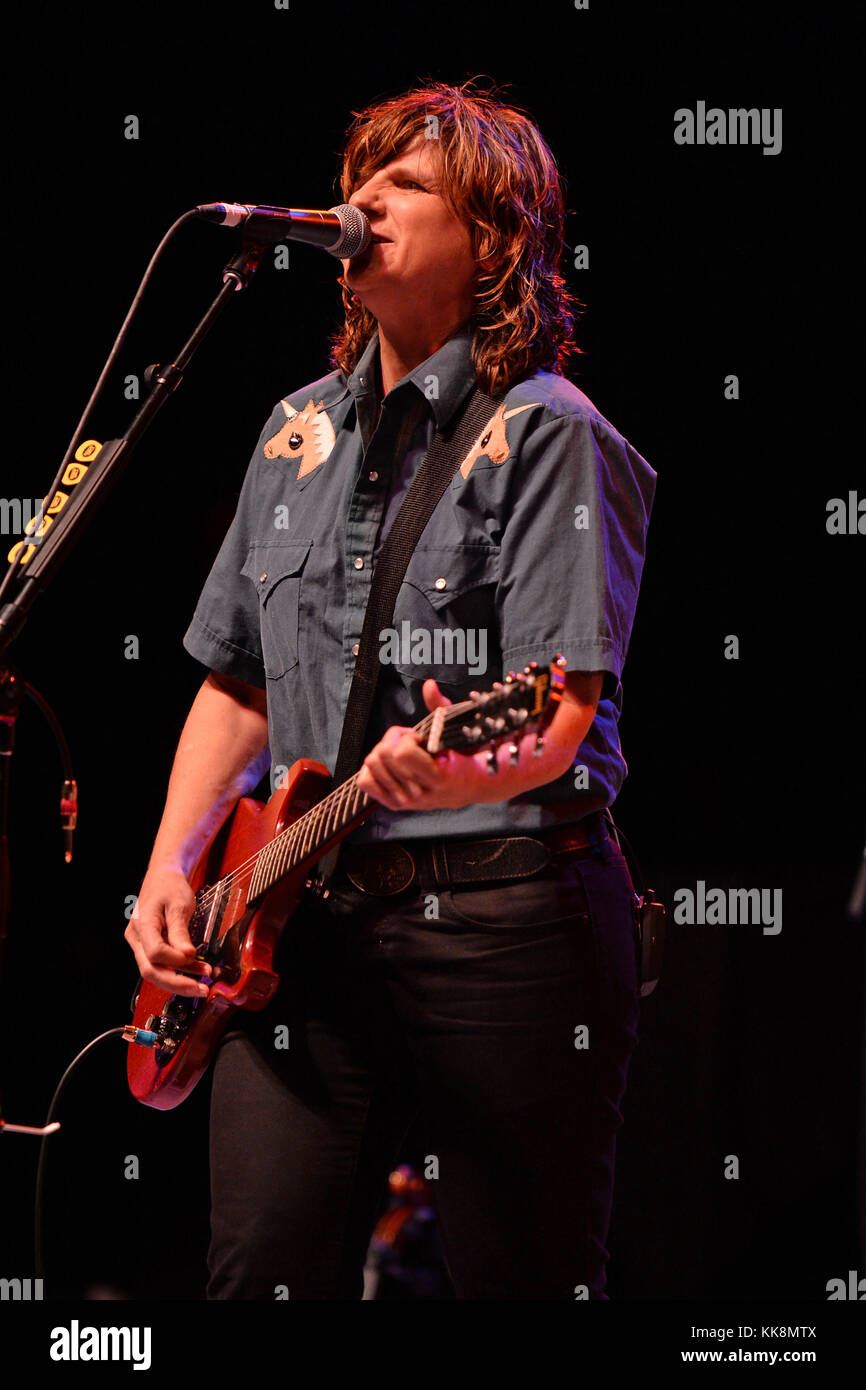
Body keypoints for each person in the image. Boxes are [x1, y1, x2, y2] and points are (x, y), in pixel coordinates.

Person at [125, 81, 657, 1300]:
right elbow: (239, 682)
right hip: (301, 921)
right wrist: (168, 868)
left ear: (494, 242)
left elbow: (555, 715)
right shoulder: (292, 430)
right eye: (360, 175)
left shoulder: (549, 435)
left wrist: (449, 766)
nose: (361, 200)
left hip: (506, 930)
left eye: (406, 183)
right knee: (253, 1267)